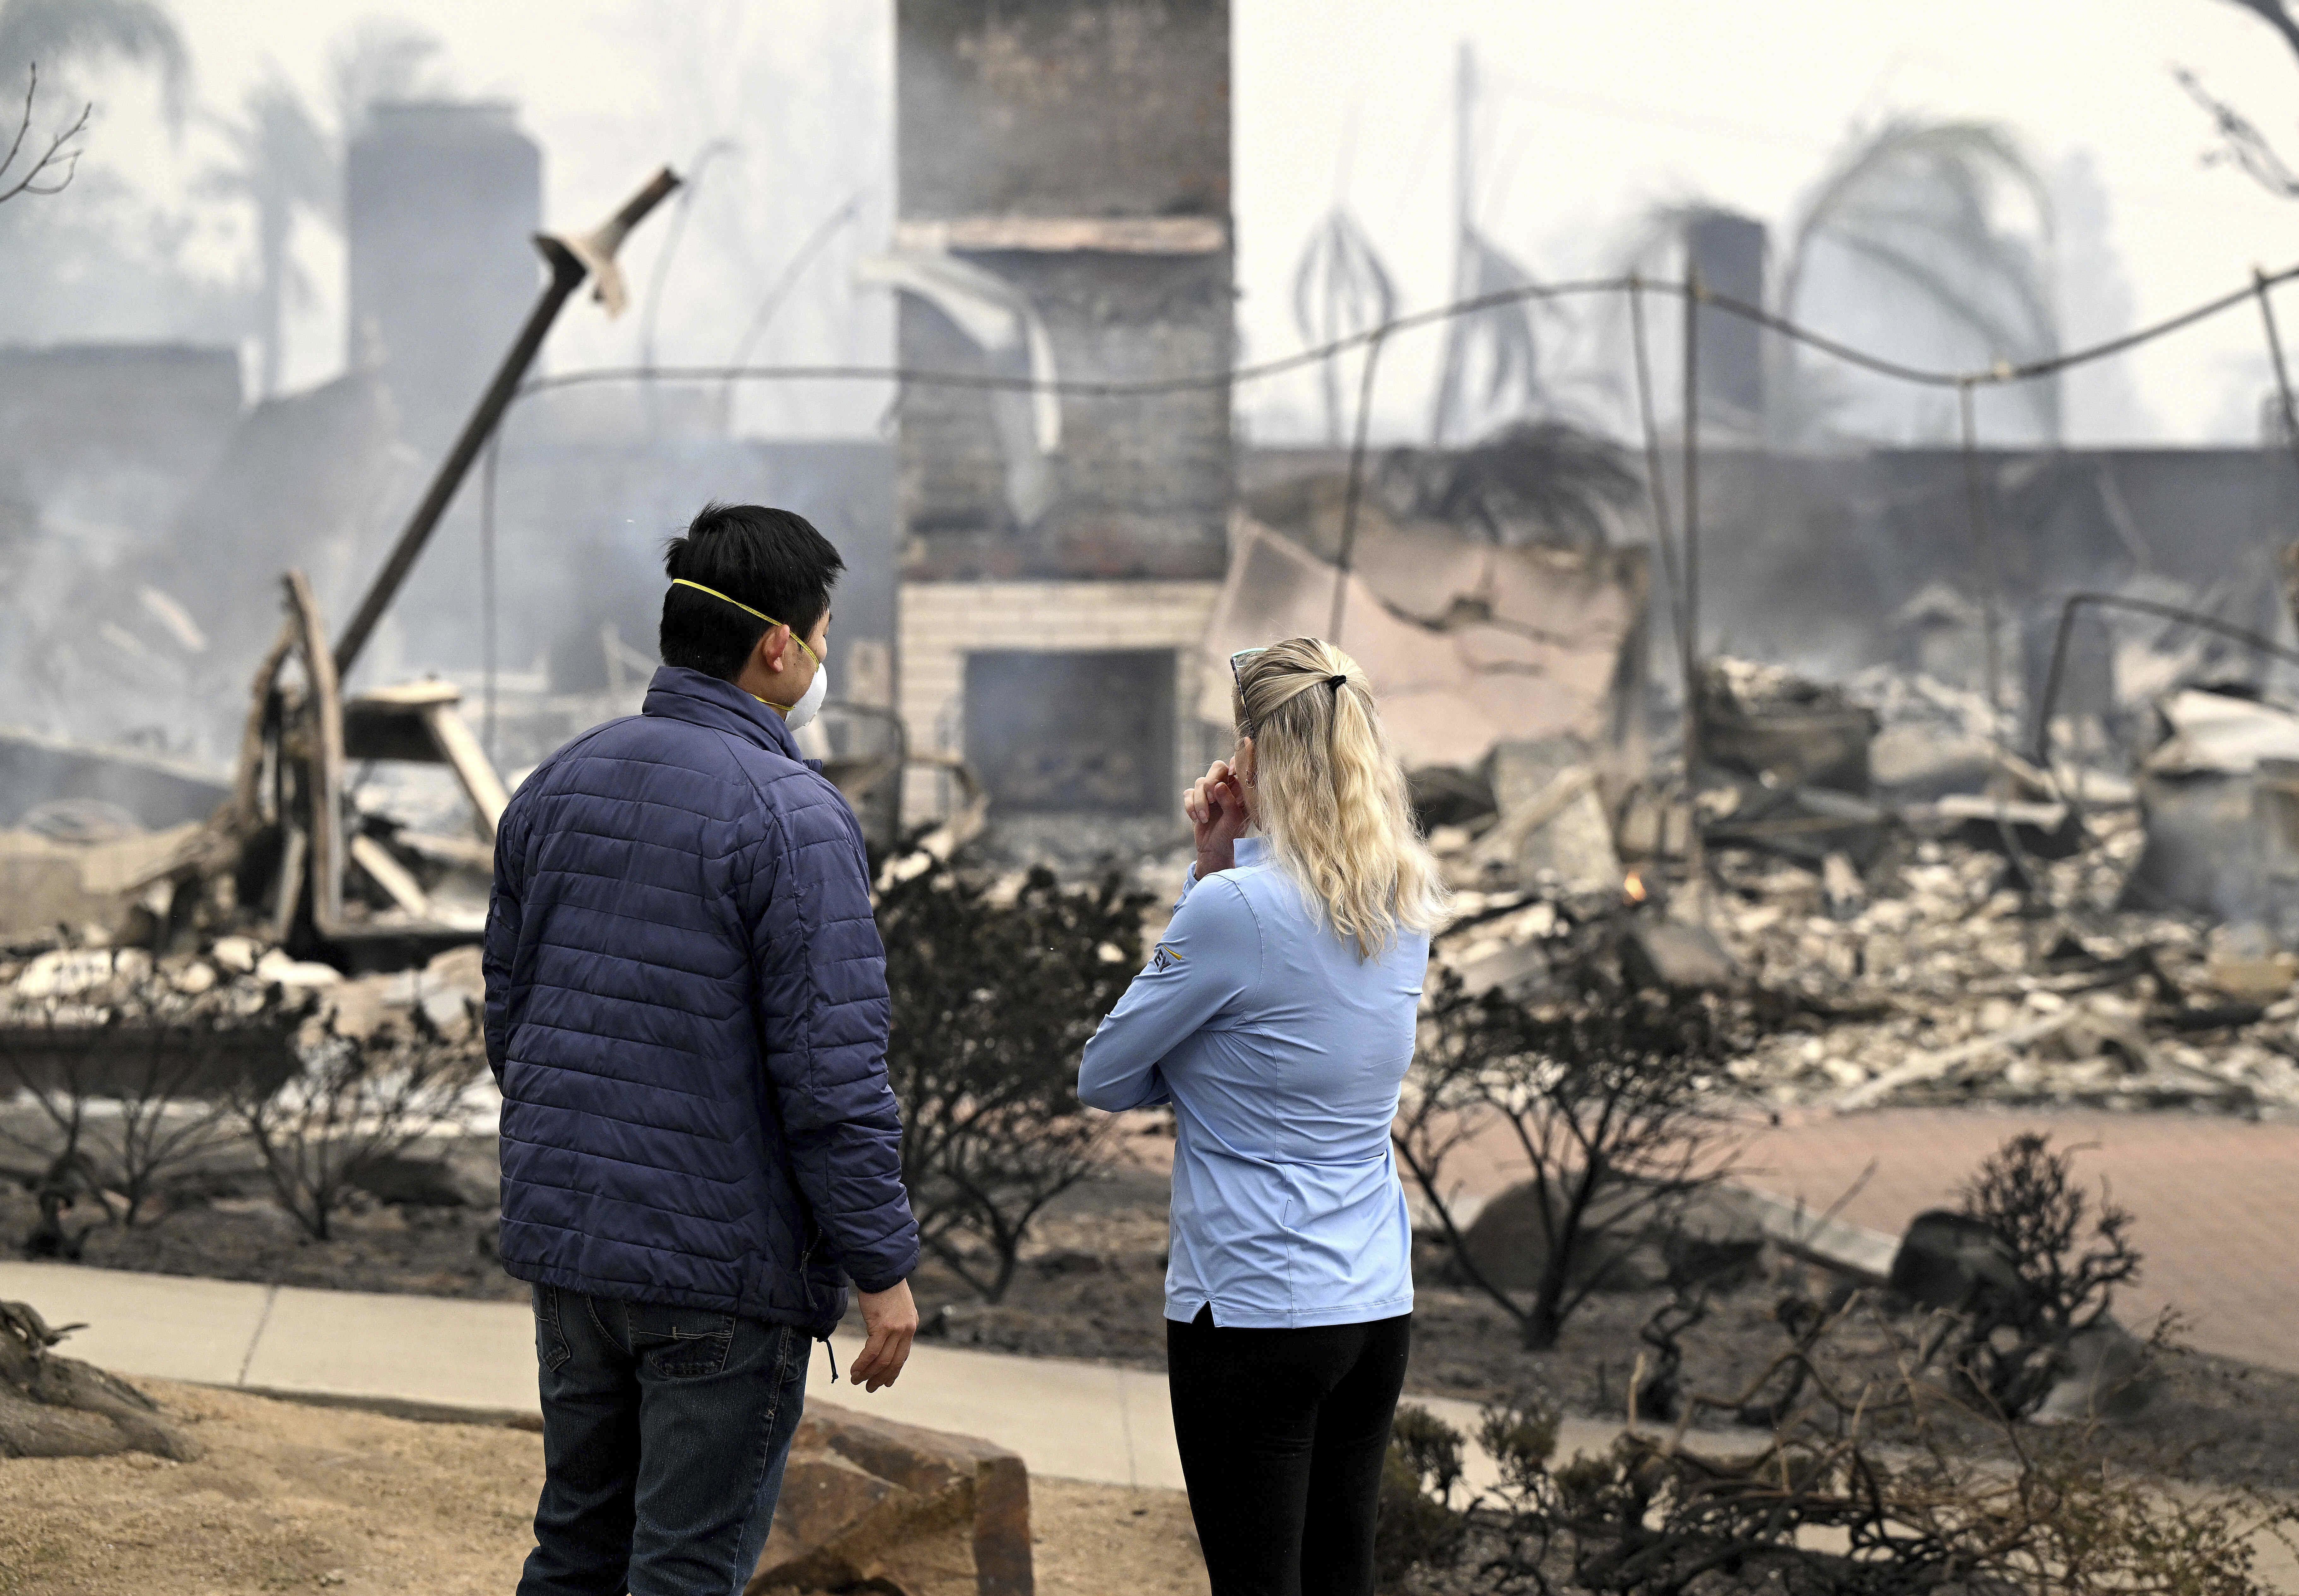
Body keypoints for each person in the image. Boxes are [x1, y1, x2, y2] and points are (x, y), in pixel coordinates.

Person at [483, 502, 920, 1596]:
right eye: (823, 636)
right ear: (778, 645)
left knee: (574, 1548)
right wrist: (883, 1267)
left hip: (574, 1247)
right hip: (725, 1274)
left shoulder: (554, 786)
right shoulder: (795, 816)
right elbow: (832, 1076)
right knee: (684, 1571)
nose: (823, 659)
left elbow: (512, 1017)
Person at [1077, 637, 1448, 1596]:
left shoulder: (1233, 909)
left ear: (1254, 755)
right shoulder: (1404, 901)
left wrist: (1208, 873)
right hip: (1372, 1304)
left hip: (1250, 1306)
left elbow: (1108, 1073)